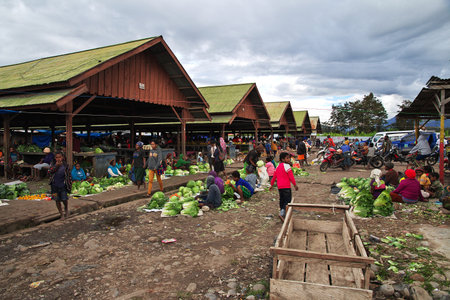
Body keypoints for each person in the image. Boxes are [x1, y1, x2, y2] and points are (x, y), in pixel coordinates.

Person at [269, 152, 298, 221]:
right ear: (282, 159)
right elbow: (291, 177)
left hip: (280, 187)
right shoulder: (287, 166)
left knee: (282, 200)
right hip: (286, 187)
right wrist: (295, 185)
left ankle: (282, 210)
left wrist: (271, 185)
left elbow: (274, 177)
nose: (289, 159)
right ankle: (283, 213)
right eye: (287, 158)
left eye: (289, 158)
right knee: (287, 200)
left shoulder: (278, 166)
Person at [48, 152, 72, 220]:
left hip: (63, 185)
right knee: (56, 200)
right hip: (54, 186)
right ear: (55, 158)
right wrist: (56, 166)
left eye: (60, 157)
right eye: (57, 157)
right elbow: (49, 172)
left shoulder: (65, 165)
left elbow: (68, 176)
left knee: (65, 199)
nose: (58, 159)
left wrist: (69, 185)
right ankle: (61, 214)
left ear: (62, 158)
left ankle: (66, 210)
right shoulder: (52, 164)